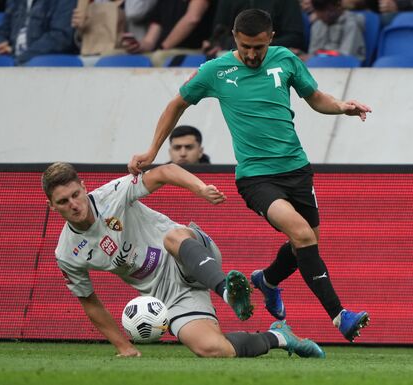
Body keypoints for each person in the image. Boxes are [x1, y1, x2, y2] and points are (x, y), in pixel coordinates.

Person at [129, 9, 372, 342]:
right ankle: (340, 316)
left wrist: (342, 106)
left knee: (305, 241)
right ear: (234, 37)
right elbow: (176, 105)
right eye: (246, 47)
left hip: (297, 169)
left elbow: (315, 98)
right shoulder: (216, 70)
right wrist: (152, 151)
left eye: (258, 47)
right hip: (256, 177)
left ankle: (267, 281)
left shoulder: (285, 59)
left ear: (270, 38)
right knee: (303, 234)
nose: (252, 54)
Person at [43, 161, 325, 358]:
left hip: (189, 252)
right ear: (51, 205)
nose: (74, 204)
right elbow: (88, 300)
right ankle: (280, 337)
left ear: (84, 186)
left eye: (75, 195)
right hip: (166, 294)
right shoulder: (67, 253)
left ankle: (227, 290)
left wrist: (200, 188)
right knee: (211, 349)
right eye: (63, 201)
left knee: (172, 237)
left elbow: (165, 171)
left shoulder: (112, 195)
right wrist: (123, 346)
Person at [121, 0, 215, 67]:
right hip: (164, 51)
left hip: (196, 51)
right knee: (119, 56)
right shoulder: (163, 2)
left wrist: (163, 48)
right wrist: (137, 46)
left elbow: (192, 19)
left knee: (158, 57)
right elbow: (150, 41)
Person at [203, 0, 305, 57]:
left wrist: (262, 46)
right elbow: (218, 34)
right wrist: (240, 45)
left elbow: (295, 37)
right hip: (234, 57)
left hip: (274, 57)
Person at [0, 0, 77, 65]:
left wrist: (17, 54)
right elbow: (3, 29)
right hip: (14, 61)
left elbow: (60, 37)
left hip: (45, 65)